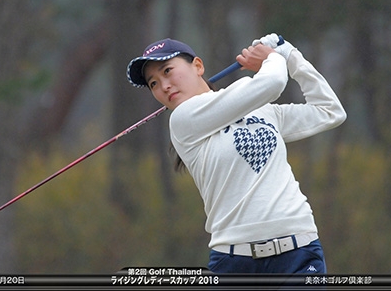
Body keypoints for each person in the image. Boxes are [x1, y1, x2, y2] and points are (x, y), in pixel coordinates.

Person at [126, 34, 346, 274]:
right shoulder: (183, 120)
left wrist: (291, 55)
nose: (163, 86)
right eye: (153, 84)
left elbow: (329, 111)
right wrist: (273, 56)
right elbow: (272, 83)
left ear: (198, 66)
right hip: (235, 263)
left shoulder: (260, 108)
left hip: (300, 253)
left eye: (167, 71)